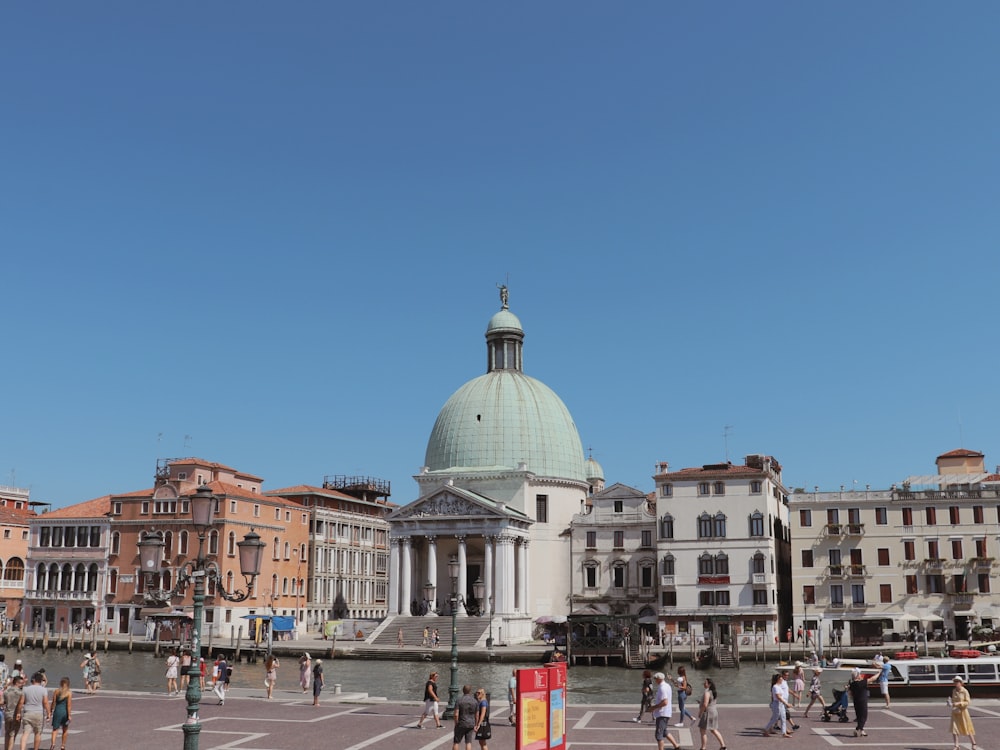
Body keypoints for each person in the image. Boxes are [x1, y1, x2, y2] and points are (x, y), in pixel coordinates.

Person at [18, 672, 49, 750]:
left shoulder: (25, 689)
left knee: (25, 733)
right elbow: (45, 702)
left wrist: (18, 712)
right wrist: (49, 713)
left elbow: (21, 702)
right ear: (41, 681)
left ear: (33, 680)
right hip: (38, 713)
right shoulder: (43, 690)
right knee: (37, 733)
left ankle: (22, 749)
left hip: (27, 712)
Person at [651, 672, 680, 750]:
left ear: (659, 679)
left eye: (655, 679)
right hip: (666, 712)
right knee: (664, 732)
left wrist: (654, 707)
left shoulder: (662, 688)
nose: (655, 680)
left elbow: (665, 702)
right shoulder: (667, 686)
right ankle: (676, 746)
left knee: (658, 735)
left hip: (662, 713)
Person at [697, 677, 726, 750]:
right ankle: (723, 746)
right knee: (713, 729)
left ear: (709, 684)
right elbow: (710, 702)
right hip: (714, 712)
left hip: (707, 713)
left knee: (702, 730)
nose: (704, 683)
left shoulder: (707, 692)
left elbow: (705, 704)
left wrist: (700, 712)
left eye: (705, 682)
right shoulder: (714, 692)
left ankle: (703, 748)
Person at [949, 676, 977, 750]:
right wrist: (950, 703)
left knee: (967, 728)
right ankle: (956, 745)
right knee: (954, 728)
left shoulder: (964, 691)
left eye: (957, 682)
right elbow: (953, 700)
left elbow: (967, 702)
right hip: (955, 712)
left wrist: (958, 704)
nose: (956, 683)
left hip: (963, 712)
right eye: (955, 682)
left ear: (961, 683)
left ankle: (973, 743)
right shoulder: (954, 690)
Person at [762, 671, 792, 737]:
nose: (782, 680)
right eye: (781, 679)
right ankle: (766, 729)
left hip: (781, 704)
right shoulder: (775, 687)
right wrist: (786, 703)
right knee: (775, 718)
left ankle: (784, 733)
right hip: (777, 704)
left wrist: (785, 703)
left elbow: (781, 696)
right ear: (778, 679)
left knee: (783, 718)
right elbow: (778, 697)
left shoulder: (779, 686)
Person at [452, 684, 478, 750]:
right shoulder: (475, 701)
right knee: (468, 742)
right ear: (470, 691)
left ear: (463, 691)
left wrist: (456, 723)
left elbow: (456, 714)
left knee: (456, 742)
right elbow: (477, 714)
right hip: (471, 723)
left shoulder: (459, 700)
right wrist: (476, 724)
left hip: (461, 722)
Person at [49, 677, 72, 750]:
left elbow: (53, 702)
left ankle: (53, 744)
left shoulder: (56, 691)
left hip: (57, 711)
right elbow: (69, 705)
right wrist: (69, 715)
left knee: (55, 729)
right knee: (65, 729)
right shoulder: (69, 693)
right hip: (64, 712)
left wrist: (51, 710)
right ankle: (63, 745)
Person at [4, 675, 24, 750]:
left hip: (7, 713)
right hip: (15, 714)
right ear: (17, 683)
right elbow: (22, 703)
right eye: (21, 683)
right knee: (12, 734)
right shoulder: (21, 692)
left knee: (7, 733)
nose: (22, 685)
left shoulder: (6, 691)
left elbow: (3, 702)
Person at [848, 667, 870, 737]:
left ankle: (862, 730)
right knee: (863, 716)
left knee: (859, 716)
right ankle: (858, 729)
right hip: (862, 701)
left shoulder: (852, 683)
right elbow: (872, 679)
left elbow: (850, 693)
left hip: (856, 701)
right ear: (858, 675)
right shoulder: (861, 683)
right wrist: (879, 673)